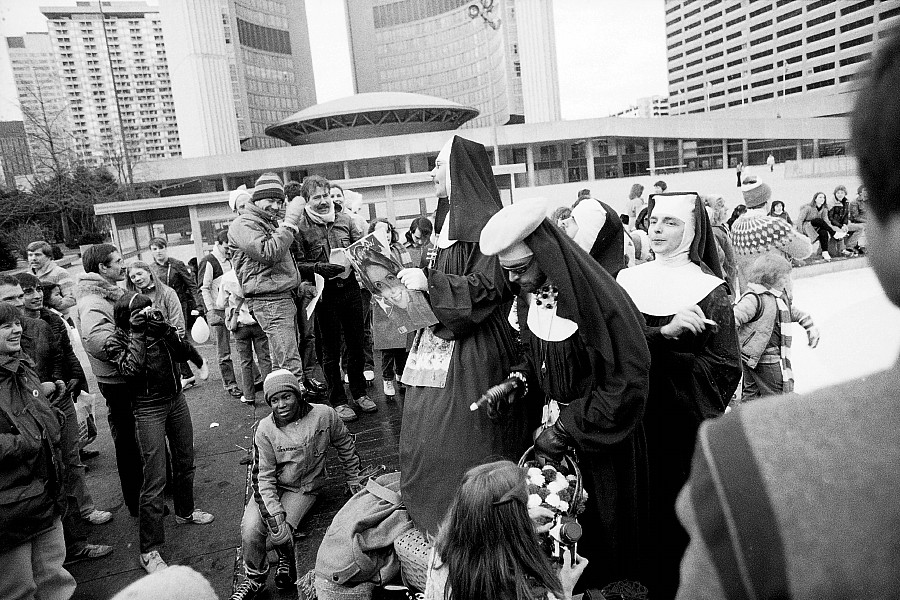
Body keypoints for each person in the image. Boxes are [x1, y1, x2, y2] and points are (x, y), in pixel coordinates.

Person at [675, 35, 900, 597]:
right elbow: (803, 252)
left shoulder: (749, 465)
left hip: (753, 307)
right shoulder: (775, 229)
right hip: (769, 305)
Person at [479, 198, 652, 590]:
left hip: (602, 442)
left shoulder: (601, 302)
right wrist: (516, 383)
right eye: (507, 273)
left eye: (520, 270)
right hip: (554, 438)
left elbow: (628, 382)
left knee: (603, 533)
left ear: (547, 255)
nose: (513, 282)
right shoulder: (529, 300)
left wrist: (566, 429)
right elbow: (535, 356)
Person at [396, 135, 530, 536]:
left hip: (476, 348)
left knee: (461, 437)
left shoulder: (489, 222)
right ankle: (434, 514)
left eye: (438, 164)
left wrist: (431, 281)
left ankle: (474, 523)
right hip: (434, 345)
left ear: (459, 171)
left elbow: (491, 286)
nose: (432, 172)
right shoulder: (443, 223)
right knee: (426, 430)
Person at [616, 193, 741, 598]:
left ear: (692, 230)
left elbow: (724, 370)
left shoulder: (709, 291)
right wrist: (664, 337)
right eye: (653, 220)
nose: (655, 228)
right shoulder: (627, 281)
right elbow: (612, 347)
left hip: (677, 430)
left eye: (670, 222)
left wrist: (666, 358)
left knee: (674, 523)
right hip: (630, 423)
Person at [104, 292, 214, 573]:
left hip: (176, 399)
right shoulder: (115, 341)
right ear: (125, 318)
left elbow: (181, 352)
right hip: (147, 407)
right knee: (154, 478)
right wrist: (138, 333)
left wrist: (164, 329)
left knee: (185, 461)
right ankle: (149, 550)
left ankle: (185, 512)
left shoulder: (159, 329)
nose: (146, 315)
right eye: (138, 313)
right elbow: (131, 369)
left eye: (149, 309)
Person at [231, 369, 361, 600]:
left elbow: (345, 443)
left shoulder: (324, 415)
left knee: (281, 536)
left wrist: (354, 476)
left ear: (298, 394)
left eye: (286, 396)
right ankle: (255, 578)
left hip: (305, 488)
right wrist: (274, 516)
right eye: (274, 400)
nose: (281, 404)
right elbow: (263, 478)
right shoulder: (264, 429)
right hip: (274, 485)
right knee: (251, 532)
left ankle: (286, 559)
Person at [14, 273, 115, 559]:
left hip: (61, 394)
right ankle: (65, 534)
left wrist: (71, 382)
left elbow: (64, 355)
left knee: (71, 456)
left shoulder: (51, 320)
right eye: (26, 292)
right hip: (38, 402)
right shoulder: (16, 329)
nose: (35, 295)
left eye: (37, 290)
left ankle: (85, 508)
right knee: (51, 466)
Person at [0, 301, 77, 600]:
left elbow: (39, 420)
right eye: (5, 325)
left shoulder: (22, 367)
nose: (17, 329)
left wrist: (52, 419)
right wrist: (33, 437)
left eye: (16, 323)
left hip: (44, 496)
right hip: (10, 509)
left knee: (55, 579)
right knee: (17, 590)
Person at [425, 461, 587, 600]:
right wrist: (563, 590)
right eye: (525, 504)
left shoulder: (442, 554)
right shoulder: (518, 590)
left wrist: (520, 523)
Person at [293, 175, 376, 421]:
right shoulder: (300, 227)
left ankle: (359, 392)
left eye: (325, 196)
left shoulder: (345, 219)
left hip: (350, 288)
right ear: (307, 200)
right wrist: (318, 267)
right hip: (324, 294)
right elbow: (297, 264)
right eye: (316, 197)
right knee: (330, 351)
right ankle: (338, 399)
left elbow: (361, 249)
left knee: (356, 343)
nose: (323, 201)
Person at [75, 244, 143, 516]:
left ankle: (145, 493)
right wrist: (132, 348)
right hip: (118, 381)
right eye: (117, 261)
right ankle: (137, 500)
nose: (122, 265)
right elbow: (97, 340)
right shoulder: (93, 302)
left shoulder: (105, 294)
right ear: (102, 268)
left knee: (135, 437)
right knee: (128, 440)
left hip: (120, 377)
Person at [229, 172, 306, 379]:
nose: (276, 206)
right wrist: (289, 223)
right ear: (256, 199)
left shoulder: (267, 221)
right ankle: (295, 408)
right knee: (289, 363)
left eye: (279, 201)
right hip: (270, 300)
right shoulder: (243, 223)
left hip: (279, 298)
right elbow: (268, 252)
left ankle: (288, 405)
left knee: (283, 361)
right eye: (270, 200)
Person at [733, 254, 819, 402]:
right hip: (762, 357)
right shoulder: (755, 298)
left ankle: (751, 417)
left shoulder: (778, 297)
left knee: (751, 393)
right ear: (770, 277)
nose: (787, 281)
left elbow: (789, 311)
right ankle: (779, 417)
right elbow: (733, 319)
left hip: (752, 356)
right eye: (784, 277)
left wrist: (808, 324)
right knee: (777, 394)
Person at [126, 261, 209, 384]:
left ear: (149, 272)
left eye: (139, 274)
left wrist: (176, 333)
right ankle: (187, 374)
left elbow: (177, 318)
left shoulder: (167, 293)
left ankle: (198, 364)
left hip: (168, 338)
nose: (137, 279)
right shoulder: (133, 297)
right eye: (133, 277)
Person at [147, 237, 207, 387]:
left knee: (178, 337)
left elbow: (192, 285)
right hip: (160, 309)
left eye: (161, 248)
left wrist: (199, 305)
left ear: (166, 248)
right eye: (155, 249)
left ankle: (193, 367)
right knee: (169, 340)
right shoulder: (151, 268)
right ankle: (187, 374)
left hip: (179, 305)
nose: (159, 251)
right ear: (151, 251)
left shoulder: (176, 265)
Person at [366, 218, 415, 397]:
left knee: (403, 342)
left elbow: (408, 268)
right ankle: (387, 379)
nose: (385, 235)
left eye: (387, 231)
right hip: (382, 303)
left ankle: (401, 375)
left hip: (400, 298)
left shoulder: (398, 249)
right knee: (388, 346)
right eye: (380, 231)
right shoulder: (368, 254)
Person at [730, 176, 813, 280]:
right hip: (773, 291)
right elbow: (804, 250)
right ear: (766, 201)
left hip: (748, 291)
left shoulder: (736, 226)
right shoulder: (773, 225)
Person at [218, 265, 272, 404]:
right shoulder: (255, 273)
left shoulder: (227, 277)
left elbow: (220, 303)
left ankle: (249, 396)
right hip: (258, 321)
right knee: (264, 359)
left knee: (245, 361)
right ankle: (269, 394)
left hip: (240, 325)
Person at [199, 229, 242, 398]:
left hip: (234, 307)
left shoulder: (233, 257)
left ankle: (254, 378)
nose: (229, 252)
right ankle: (230, 383)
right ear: (218, 244)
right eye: (226, 248)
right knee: (224, 351)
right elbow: (203, 288)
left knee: (242, 344)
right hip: (218, 309)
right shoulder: (209, 261)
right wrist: (210, 311)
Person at [563, 195, 628, 276]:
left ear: (591, 233)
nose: (564, 222)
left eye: (574, 220)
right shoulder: (568, 266)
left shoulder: (608, 282)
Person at [28, 240, 76, 320]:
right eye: (30, 255)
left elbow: (73, 298)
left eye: (38, 255)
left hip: (60, 319)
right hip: (36, 321)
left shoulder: (60, 272)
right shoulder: (28, 276)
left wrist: (52, 304)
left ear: (48, 257)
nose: (33, 258)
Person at [701, 195, 739, 296]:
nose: (726, 208)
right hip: (724, 285)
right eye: (721, 206)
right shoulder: (714, 232)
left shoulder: (721, 228)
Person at [796, 191, 847, 261]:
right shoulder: (808, 208)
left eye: (823, 197)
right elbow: (800, 220)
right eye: (820, 197)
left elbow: (826, 221)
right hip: (807, 227)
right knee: (818, 220)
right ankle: (834, 234)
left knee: (824, 232)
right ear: (815, 199)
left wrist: (833, 228)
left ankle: (825, 252)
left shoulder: (824, 209)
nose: (822, 199)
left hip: (817, 227)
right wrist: (800, 232)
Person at [848, 184, 868, 254]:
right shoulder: (854, 202)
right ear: (860, 193)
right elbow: (855, 217)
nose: (867, 191)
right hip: (858, 222)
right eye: (865, 190)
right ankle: (851, 246)